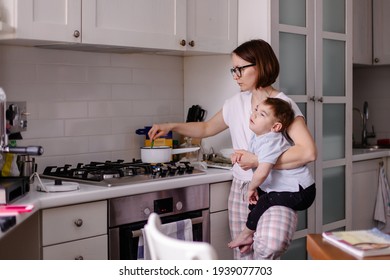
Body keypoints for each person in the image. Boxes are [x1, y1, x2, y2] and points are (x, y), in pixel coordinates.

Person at [147, 39, 317, 260]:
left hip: (273, 188)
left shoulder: (282, 106)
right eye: (233, 70)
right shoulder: (235, 103)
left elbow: (307, 152)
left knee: (270, 245)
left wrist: (257, 161)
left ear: (261, 65)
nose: (235, 75)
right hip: (240, 188)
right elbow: (207, 127)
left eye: (240, 69)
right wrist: (171, 126)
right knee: (243, 258)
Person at [227, 97, 316, 252]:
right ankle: (253, 234)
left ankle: (247, 233)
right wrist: (239, 156)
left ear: (275, 126)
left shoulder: (271, 141)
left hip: (301, 191)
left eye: (262, 114)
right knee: (256, 201)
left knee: (265, 200)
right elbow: (255, 156)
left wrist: (251, 188)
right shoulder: (258, 136)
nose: (254, 115)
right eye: (256, 110)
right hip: (289, 187)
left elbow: (262, 172)